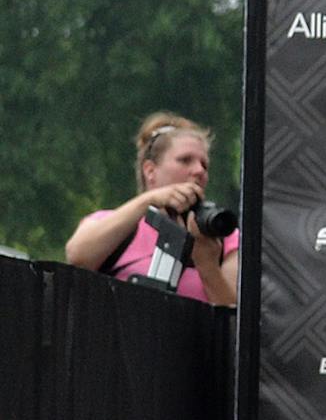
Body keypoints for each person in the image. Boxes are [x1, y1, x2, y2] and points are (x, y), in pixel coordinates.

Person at [65, 113, 239, 306]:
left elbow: (236, 319)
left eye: (204, 164)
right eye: (185, 160)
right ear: (150, 171)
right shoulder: (115, 224)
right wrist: (148, 201)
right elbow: (77, 256)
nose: (199, 171)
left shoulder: (223, 238)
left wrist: (207, 264)